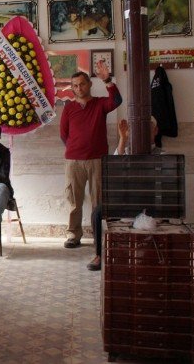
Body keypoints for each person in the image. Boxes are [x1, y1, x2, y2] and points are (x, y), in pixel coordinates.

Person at [59, 62, 122, 249]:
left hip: (97, 160)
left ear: (90, 84)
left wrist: (107, 80)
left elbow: (117, 101)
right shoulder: (69, 108)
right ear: (72, 88)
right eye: (75, 85)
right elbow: (64, 134)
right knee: (74, 201)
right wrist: (75, 149)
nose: (79, 88)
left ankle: (99, 237)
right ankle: (73, 235)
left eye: (82, 84)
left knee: (99, 202)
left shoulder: (101, 104)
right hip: (74, 162)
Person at [87, 117, 161, 271]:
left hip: (148, 204)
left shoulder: (162, 154)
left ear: (155, 131)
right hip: (125, 202)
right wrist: (123, 139)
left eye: (147, 130)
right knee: (97, 213)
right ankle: (100, 255)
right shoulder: (126, 150)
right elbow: (114, 167)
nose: (142, 134)